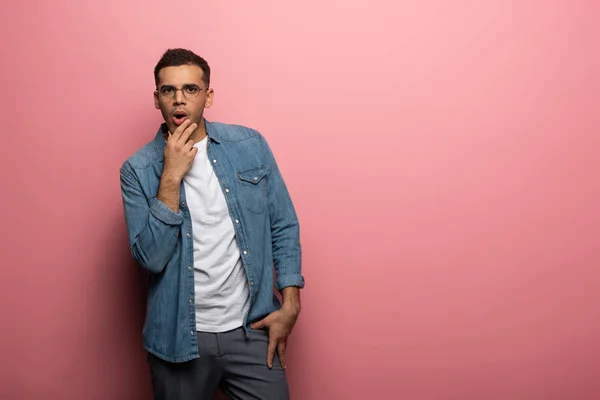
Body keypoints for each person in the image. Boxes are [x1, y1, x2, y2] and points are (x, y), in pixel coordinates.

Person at [119, 48, 304, 400]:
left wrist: (291, 302)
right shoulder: (138, 170)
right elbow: (151, 258)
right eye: (168, 90)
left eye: (190, 89)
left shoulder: (250, 146)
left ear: (208, 95)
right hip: (178, 339)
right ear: (156, 99)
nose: (179, 99)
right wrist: (171, 176)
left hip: (251, 330)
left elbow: (283, 225)